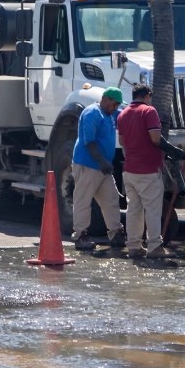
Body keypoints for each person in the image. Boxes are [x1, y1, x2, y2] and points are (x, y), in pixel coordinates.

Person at [116, 83, 185, 259]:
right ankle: (154, 246)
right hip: (148, 169)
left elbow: (122, 142)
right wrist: (171, 150)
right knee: (152, 209)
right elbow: (155, 138)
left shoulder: (123, 114)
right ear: (147, 95)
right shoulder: (149, 111)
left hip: (129, 170)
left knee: (134, 209)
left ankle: (134, 246)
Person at [71, 87, 127, 251]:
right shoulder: (92, 113)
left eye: (117, 105)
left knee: (111, 199)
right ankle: (80, 235)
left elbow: (123, 115)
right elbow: (89, 142)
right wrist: (102, 161)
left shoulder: (110, 114)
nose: (116, 107)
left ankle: (116, 233)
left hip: (102, 167)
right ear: (105, 99)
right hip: (88, 164)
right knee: (83, 201)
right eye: (114, 104)